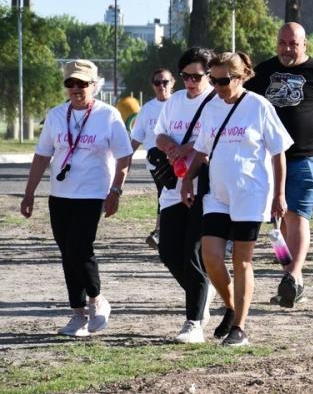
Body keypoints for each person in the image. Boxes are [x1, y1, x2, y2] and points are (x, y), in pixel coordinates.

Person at [180, 51, 293, 347]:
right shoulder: (211, 107)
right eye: (213, 80)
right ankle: (231, 305)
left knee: (241, 260)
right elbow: (203, 151)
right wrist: (187, 179)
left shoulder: (258, 106)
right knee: (211, 257)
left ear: (242, 76)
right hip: (218, 194)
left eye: (224, 80)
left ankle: (239, 327)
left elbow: (278, 152)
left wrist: (279, 194)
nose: (218, 86)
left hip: (250, 194)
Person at [20, 60, 133, 337]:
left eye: (82, 83)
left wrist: (116, 191)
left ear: (94, 85)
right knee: (67, 253)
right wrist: (29, 192)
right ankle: (77, 314)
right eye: (70, 83)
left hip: (93, 193)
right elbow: (42, 155)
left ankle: (96, 300)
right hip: (60, 194)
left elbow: (124, 155)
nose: (75, 89)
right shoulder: (56, 115)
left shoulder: (108, 115)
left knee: (79, 247)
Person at [244, 22, 313, 308]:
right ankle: (292, 279)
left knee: (298, 216)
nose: (287, 48)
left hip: (308, 156)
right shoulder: (263, 72)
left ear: (305, 45)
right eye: (283, 43)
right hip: (269, 159)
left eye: (293, 43)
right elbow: (241, 103)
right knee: (277, 224)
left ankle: (292, 274)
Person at [153, 48, 216, 343]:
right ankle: (203, 288)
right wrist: (171, 147)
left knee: (192, 251)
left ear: (208, 74)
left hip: (204, 183)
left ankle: (194, 323)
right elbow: (160, 134)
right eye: (186, 76)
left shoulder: (216, 101)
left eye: (196, 76)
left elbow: (210, 141)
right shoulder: (175, 101)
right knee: (168, 251)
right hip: (173, 186)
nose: (191, 82)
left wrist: (188, 149)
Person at [130, 68, 174, 249]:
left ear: (172, 83)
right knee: (164, 192)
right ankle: (160, 232)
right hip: (156, 160)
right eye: (157, 82)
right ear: (153, 85)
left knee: (170, 194)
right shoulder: (147, 109)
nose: (161, 86)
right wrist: (125, 160)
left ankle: (163, 231)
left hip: (177, 157)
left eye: (165, 82)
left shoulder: (179, 104)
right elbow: (136, 137)